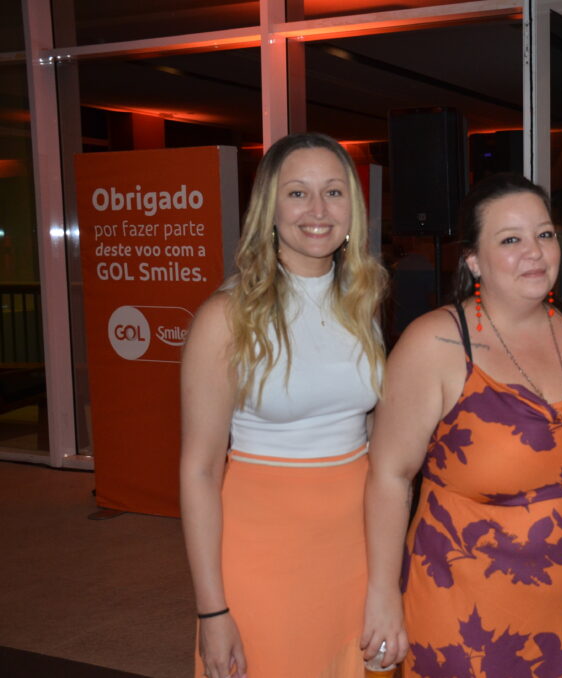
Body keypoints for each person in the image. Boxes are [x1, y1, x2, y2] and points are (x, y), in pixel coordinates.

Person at [361, 174, 562, 677]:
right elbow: (388, 476)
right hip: (465, 615)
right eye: (510, 240)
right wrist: (382, 596)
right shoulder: (435, 343)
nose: (535, 252)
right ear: (474, 261)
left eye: (544, 235)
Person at [179, 132, 387, 678]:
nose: (318, 211)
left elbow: (373, 431)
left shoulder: (363, 303)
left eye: (334, 192)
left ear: (353, 209)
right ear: (269, 208)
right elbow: (199, 470)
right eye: (298, 194)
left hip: (354, 547)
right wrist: (212, 609)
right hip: (263, 552)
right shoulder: (224, 318)